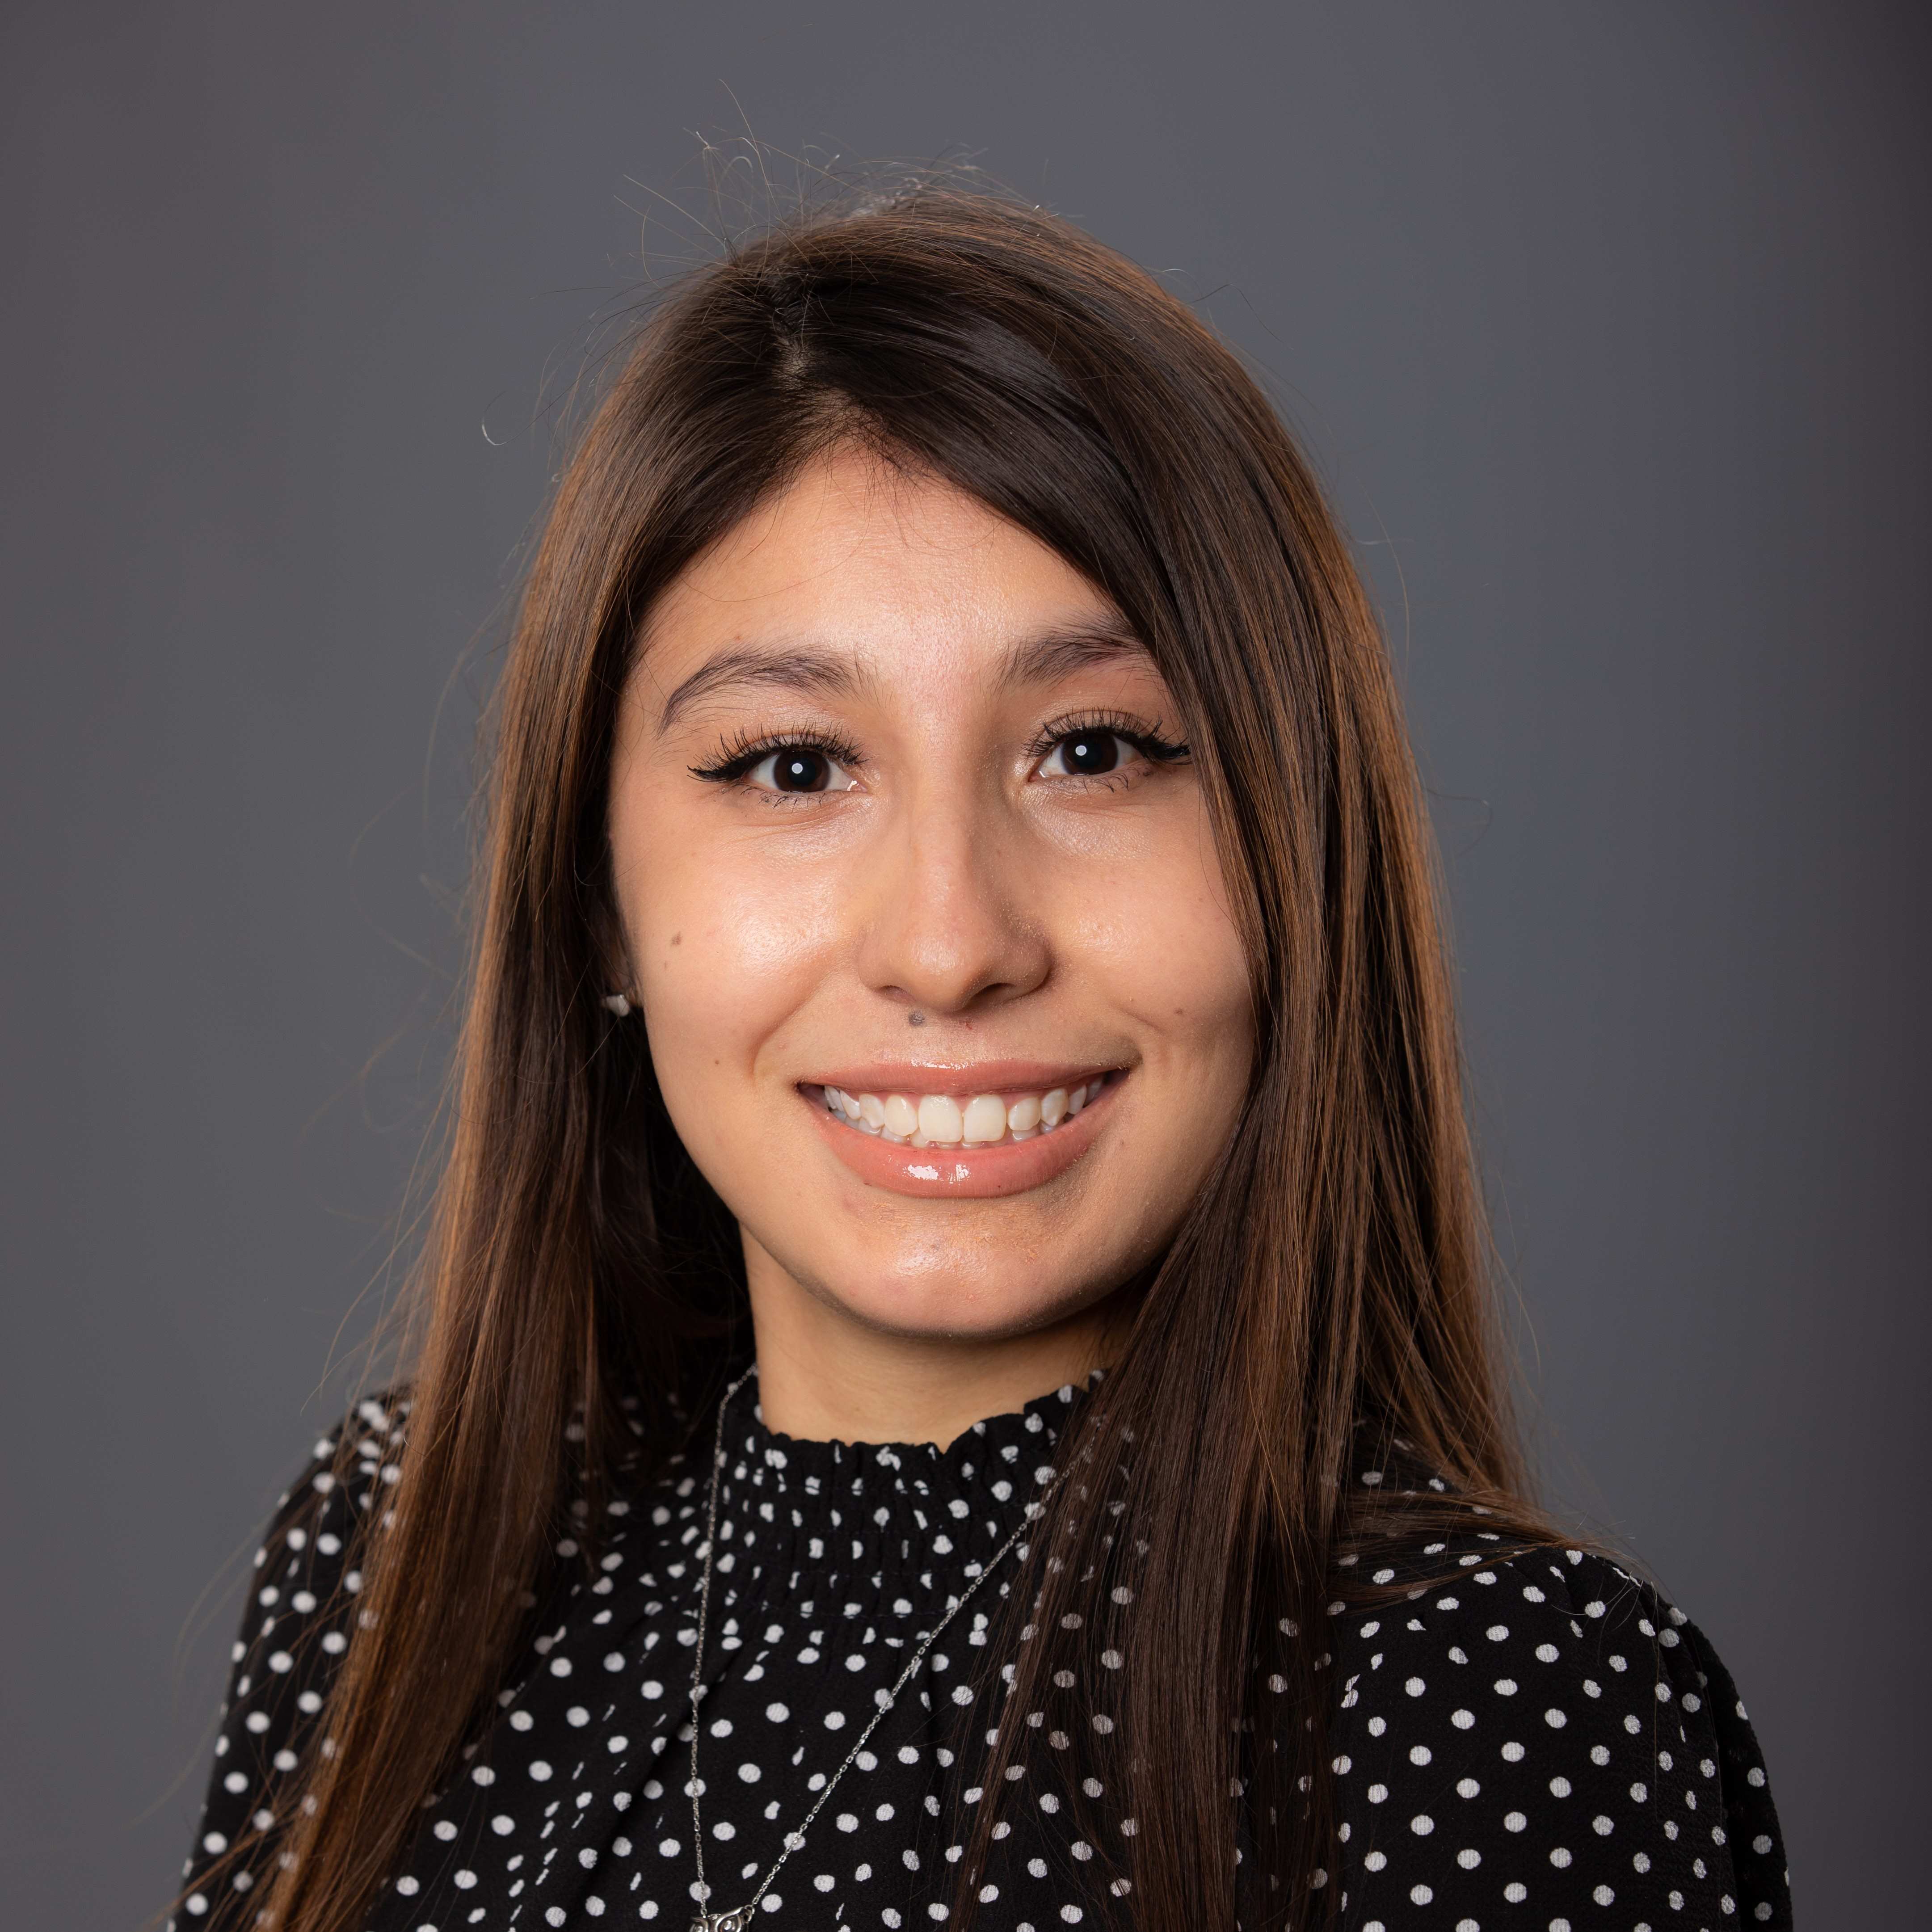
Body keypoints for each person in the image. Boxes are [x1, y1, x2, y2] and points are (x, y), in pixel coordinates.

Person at [172, 186, 1789, 1932]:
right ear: (597, 907)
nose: (949, 943)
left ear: (1291, 863)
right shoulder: (404, 1557)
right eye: (793, 767)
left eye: (1089, 751)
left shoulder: (1489, 1702)